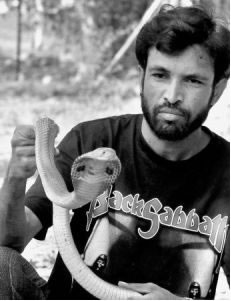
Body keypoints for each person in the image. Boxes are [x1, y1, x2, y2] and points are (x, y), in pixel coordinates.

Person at [0, 4, 229, 300]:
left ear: (219, 88)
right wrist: (16, 177)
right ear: (141, 76)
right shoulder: (91, 138)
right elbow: (10, 241)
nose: (172, 96)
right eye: (160, 75)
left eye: (193, 80)